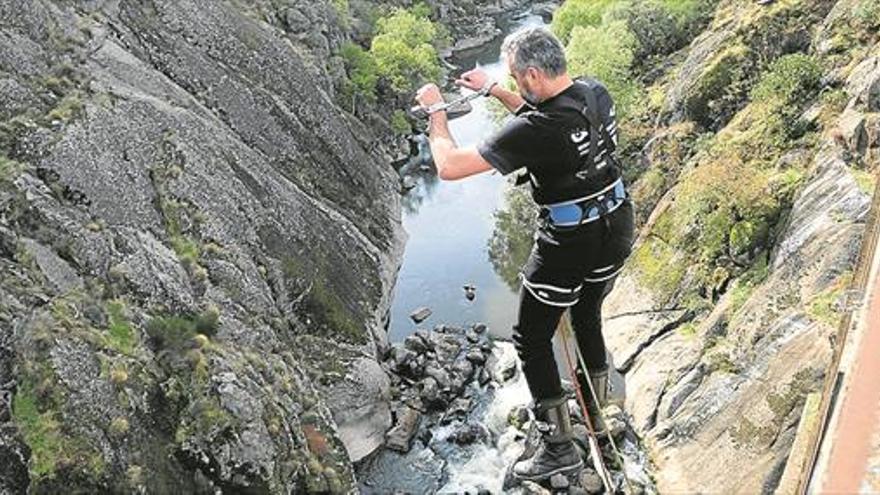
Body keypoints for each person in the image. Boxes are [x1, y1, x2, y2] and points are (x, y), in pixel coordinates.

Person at [414, 26, 635, 482]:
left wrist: (436, 112)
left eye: (516, 79)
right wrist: (494, 89)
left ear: (533, 74)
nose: (516, 86)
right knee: (587, 312)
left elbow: (450, 166)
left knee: (531, 339)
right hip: (615, 229)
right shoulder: (593, 93)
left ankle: (558, 449)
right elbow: (548, 127)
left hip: (569, 243)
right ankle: (600, 413)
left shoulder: (538, 128)